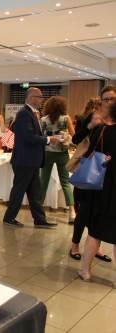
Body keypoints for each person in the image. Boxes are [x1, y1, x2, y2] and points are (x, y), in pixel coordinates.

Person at [2, 87, 59, 228]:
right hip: (24, 160)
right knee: (19, 190)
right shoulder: (24, 114)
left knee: (34, 192)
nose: (41, 100)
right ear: (30, 97)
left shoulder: (32, 114)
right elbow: (28, 137)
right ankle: (9, 218)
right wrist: (48, 140)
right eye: (39, 97)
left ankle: (39, 220)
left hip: (31, 160)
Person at [78, 90, 116, 284]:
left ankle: (85, 270)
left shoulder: (99, 128)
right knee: (96, 231)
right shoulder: (98, 127)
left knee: (95, 230)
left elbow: (88, 151)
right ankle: (84, 269)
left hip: (100, 185)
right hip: (106, 186)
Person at [70, 93, 113, 263]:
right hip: (91, 171)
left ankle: (96, 247)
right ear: (101, 101)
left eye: (113, 99)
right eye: (106, 99)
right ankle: (75, 245)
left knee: (100, 213)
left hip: (109, 176)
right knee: (84, 211)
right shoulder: (94, 117)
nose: (109, 102)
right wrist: (90, 125)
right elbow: (76, 138)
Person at [39, 96, 76, 223]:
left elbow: (40, 137)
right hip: (62, 153)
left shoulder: (43, 119)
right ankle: (72, 212)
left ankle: (39, 211)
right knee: (65, 182)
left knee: (43, 182)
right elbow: (74, 136)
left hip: (47, 153)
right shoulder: (66, 118)